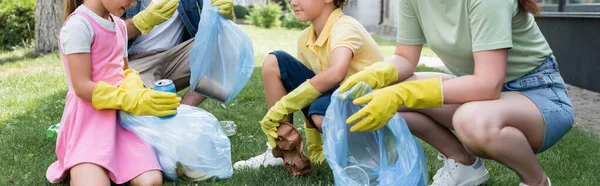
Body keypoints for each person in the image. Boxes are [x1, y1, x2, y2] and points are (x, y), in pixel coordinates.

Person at [338, 0, 575, 186]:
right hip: (480, 91)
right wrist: (375, 75)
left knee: (471, 121)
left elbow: (487, 84)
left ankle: (536, 181)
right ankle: (464, 164)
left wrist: (404, 93)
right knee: (384, 91)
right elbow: (405, 58)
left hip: (537, 94)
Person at [234, 0, 385, 169]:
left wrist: (285, 104)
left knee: (321, 108)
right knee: (274, 62)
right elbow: (311, 90)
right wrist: (315, 150)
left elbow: (336, 73)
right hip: (340, 103)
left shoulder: (345, 26)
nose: (293, 2)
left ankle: (366, 157)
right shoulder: (305, 38)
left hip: (372, 114)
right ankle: (279, 152)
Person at [46, 0, 182, 185]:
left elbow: (123, 71)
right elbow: (82, 86)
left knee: (151, 181)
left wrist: (138, 91)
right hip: (88, 124)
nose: (133, 4)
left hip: (121, 122)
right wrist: (131, 100)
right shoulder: (79, 25)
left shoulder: (119, 25)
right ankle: (84, 163)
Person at [121, 0, 233, 106]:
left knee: (224, 44)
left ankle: (184, 111)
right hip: (136, 62)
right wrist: (140, 22)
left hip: (177, 56)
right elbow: (108, 33)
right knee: (141, 109)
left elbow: (217, 21)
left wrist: (226, 16)